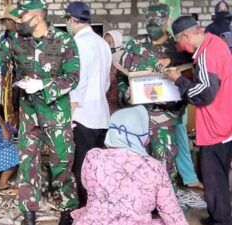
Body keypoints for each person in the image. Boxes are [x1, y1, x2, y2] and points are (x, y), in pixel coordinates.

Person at [0, 0, 80, 223]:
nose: (17, 21)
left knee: (62, 164)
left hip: (55, 114)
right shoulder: (16, 40)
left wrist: (44, 85)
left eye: (22, 17)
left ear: (36, 18)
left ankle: (68, 210)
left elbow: (72, 78)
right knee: (28, 163)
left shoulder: (64, 41)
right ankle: (29, 212)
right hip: (29, 112)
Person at [164, 15, 232, 225]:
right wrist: (173, 61)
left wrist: (179, 80)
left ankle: (221, 220)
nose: (181, 48)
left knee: (214, 179)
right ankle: (222, 216)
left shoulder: (206, 54)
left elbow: (204, 94)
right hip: (226, 120)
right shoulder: (216, 43)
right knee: (219, 176)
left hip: (214, 126)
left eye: (180, 43)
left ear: (186, 35)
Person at [71, 105, 188, 225]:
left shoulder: (93, 157)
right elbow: (172, 213)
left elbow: (87, 185)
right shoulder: (154, 167)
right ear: (144, 134)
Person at [119, 3, 190, 191]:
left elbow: (189, 80)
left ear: (167, 22)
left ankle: (167, 210)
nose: (152, 28)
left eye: (156, 24)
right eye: (149, 24)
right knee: (137, 169)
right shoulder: (135, 45)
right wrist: (125, 96)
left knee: (165, 168)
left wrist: (174, 103)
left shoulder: (177, 48)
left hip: (165, 119)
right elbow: (120, 77)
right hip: (138, 118)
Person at [61, 1, 111, 210]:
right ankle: (97, 209)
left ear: (72, 19)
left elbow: (77, 83)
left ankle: (85, 212)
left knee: (81, 169)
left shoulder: (78, 44)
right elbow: (106, 82)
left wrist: (68, 117)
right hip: (102, 116)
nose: (66, 25)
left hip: (83, 117)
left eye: (66, 20)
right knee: (97, 169)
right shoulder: (102, 43)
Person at [0, 4, 20, 129]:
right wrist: (2, 76)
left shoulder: (24, 35)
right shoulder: (3, 37)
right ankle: (14, 127)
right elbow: (2, 58)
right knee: (11, 102)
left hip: (23, 73)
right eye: (4, 20)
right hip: (10, 74)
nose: (6, 23)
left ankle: (23, 127)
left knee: (22, 101)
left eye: (9, 20)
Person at [104, 30, 123, 114]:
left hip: (119, 99)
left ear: (117, 43)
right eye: (105, 41)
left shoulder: (123, 58)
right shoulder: (104, 58)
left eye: (110, 42)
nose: (106, 45)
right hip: (107, 100)